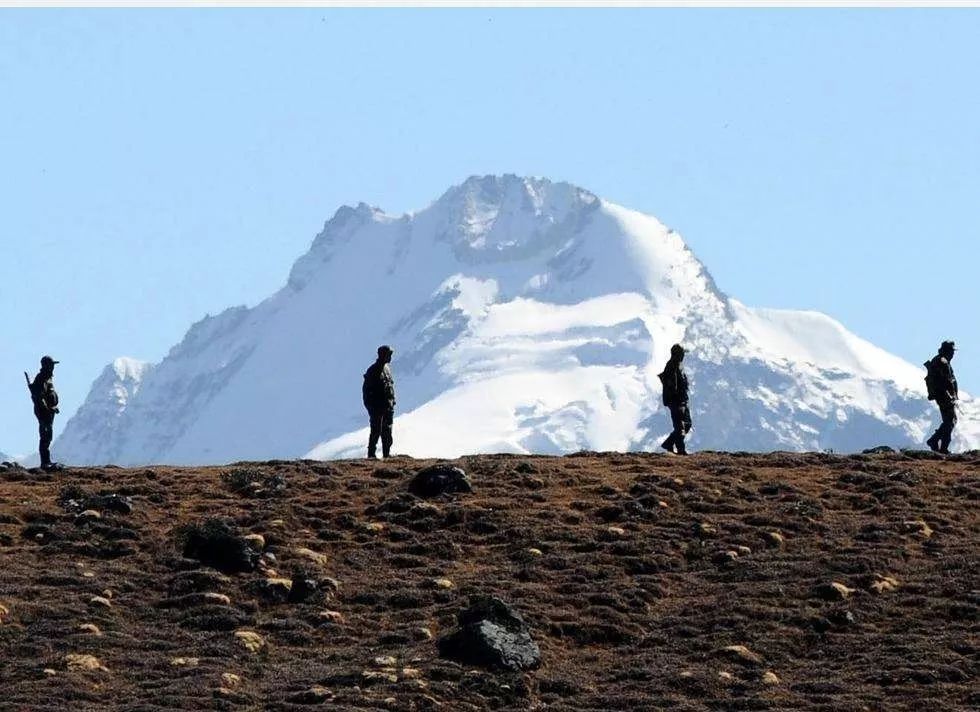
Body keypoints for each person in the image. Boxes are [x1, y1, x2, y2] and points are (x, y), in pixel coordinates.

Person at [362, 345, 396, 459]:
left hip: (388, 407)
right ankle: (371, 454)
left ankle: (386, 454)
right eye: (388, 354)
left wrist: (392, 402)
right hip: (377, 409)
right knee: (376, 431)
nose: (390, 357)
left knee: (387, 432)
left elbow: (390, 387)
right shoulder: (372, 371)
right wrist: (372, 408)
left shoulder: (387, 370)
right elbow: (366, 392)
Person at [925, 340, 958, 454]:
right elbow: (946, 381)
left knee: (949, 421)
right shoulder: (942, 361)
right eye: (951, 351)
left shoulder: (940, 360)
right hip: (944, 395)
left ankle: (940, 445)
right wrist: (951, 394)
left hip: (942, 395)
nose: (953, 354)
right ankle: (936, 442)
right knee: (950, 420)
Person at [29, 355, 62, 471]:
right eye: (51, 365)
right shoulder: (41, 378)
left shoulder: (48, 378)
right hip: (44, 412)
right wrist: (48, 408)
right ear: (46, 366)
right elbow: (40, 397)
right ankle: (45, 462)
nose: (53, 367)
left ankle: (47, 461)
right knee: (45, 435)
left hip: (48, 412)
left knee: (48, 435)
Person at [659, 343, 692, 455]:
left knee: (687, 424)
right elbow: (672, 386)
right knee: (680, 426)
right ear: (678, 354)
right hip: (677, 401)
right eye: (682, 353)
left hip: (682, 400)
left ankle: (668, 443)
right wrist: (676, 400)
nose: (683, 356)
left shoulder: (678, 365)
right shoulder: (671, 366)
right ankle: (681, 450)